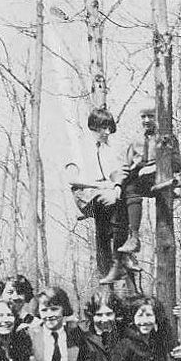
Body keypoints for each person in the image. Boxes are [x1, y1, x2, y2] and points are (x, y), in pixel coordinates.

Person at [67, 107, 133, 284]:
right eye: (103, 128)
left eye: (109, 128)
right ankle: (120, 257)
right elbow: (72, 180)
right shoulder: (79, 147)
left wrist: (118, 185)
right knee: (112, 201)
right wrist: (98, 185)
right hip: (85, 195)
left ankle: (114, 263)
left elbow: (114, 173)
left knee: (122, 200)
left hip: (103, 194)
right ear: (93, 127)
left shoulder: (106, 149)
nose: (107, 132)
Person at [117, 105, 181, 260]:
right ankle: (132, 237)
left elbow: (177, 164)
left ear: (157, 117)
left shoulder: (167, 137)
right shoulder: (136, 140)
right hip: (143, 182)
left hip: (161, 179)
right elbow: (126, 166)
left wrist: (154, 166)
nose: (146, 120)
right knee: (126, 189)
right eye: (143, 117)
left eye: (150, 116)